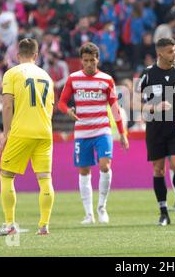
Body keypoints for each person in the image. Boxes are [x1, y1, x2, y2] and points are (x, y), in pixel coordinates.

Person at [58, 42, 129, 225]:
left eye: (92, 60)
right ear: (81, 61)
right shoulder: (73, 79)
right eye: (86, 60)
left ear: (98, 59)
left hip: (102, 129)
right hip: (82, 132)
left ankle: (102, 207)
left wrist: (122, 133)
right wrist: (68, 111)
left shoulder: (106, 79)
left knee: (105, 166)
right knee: (84, 171)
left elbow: (114, 108)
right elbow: (61, 102)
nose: (89, 64)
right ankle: (89, 214)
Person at [0, 38, 55, 236]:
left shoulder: (11, 73)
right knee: (45, 178)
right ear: (36, 56)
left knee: (6, 174)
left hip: (21, 131)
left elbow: (6, 105)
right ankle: (44, 225)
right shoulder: (47, 76)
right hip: (45, 131)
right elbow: (51, 108)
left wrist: (6, 134)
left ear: (17, 55)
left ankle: (10, 224)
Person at [136, 37, 175, 226]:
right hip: (155, 129)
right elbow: (134, 103)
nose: (174, 54)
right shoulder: (147, 74)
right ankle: (163, 211)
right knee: (158, 170)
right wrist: (154, 108)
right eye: (170, 51)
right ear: (160, 54)